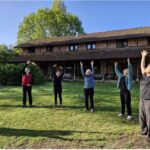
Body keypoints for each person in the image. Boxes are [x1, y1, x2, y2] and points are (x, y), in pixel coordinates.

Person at [139, 50, 150, 143]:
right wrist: (143, 57)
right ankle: (143, 131)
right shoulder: (145, 76)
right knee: (142, 116)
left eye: (149, 66)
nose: (147, 66)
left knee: (149, 118)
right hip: (142, 99)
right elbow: (142, 67)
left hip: (149, 100)